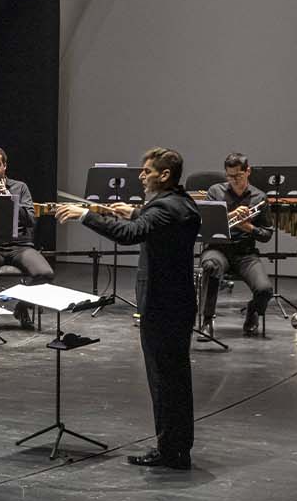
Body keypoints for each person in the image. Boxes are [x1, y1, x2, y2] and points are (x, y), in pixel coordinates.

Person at [58, 147, 201, 469]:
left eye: (147, 171)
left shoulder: (165, 207)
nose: (141, 176)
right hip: (174, 304)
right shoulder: (179, 203)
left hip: (164, 306)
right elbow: (149, 224)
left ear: (164, 175)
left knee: (165, 381)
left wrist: (86, 216)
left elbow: (130, 236)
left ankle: (172, 451)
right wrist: (134, 212)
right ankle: (176, 447)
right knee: (172, 380)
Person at [0, 147, 54, 330]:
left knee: (45, 274)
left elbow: (30, 221)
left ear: (5, 166)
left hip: (20, 245)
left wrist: (9, 199)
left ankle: (22, 307)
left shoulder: (20, 188)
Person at [198, 153, 274, 336]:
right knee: (210, 266)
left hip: (245, 254)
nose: (233, 180)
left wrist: (248, 227)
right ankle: (207, 321)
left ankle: (253, 311)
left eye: (237, 176)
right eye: (229, 176)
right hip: (218, 249)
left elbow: (266, 235)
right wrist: (231, 215)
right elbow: (205, 224)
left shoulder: (259, 197)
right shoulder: (215, 191)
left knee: (264, 290)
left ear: (248, 171)